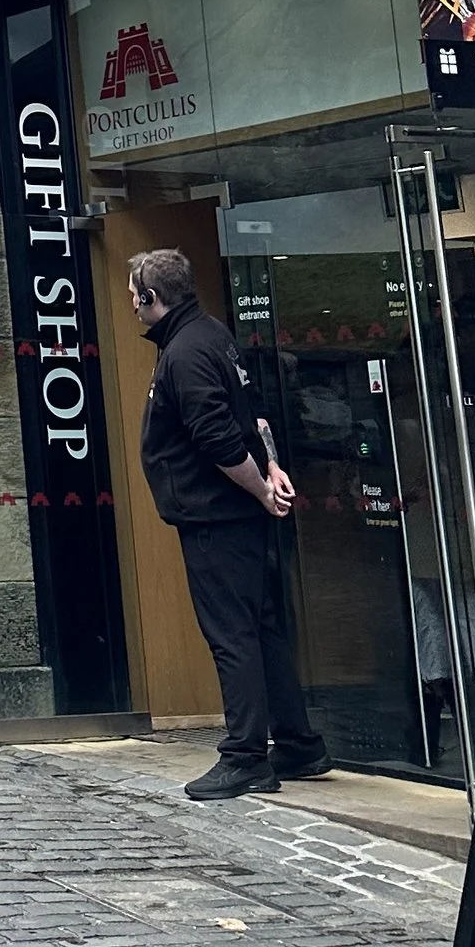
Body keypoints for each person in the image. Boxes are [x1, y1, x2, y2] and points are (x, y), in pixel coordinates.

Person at [130, 247, 331, 800]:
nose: (132, 305)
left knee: (231, 634)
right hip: (233, 511)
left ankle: (246, 757)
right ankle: (298, 743)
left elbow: (218, 437)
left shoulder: (186, 351)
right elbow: (252, 411)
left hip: (216, 515)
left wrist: (263, 486)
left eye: (135, 296)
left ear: (152, 297)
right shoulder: (210, 334)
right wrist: (270, 465)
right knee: (261, 626)